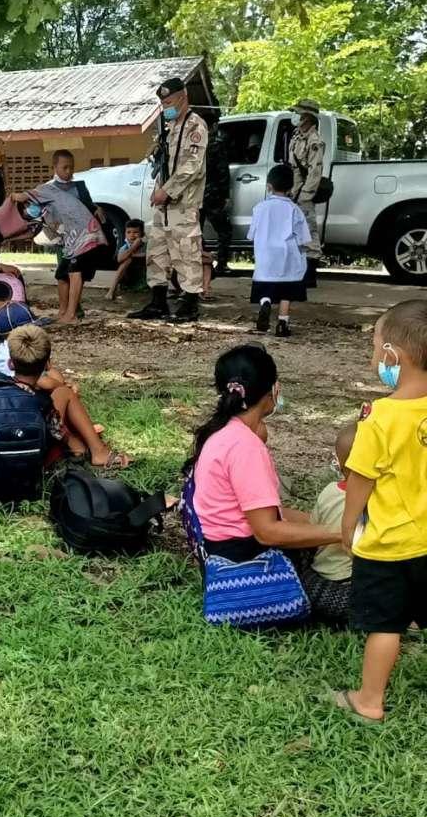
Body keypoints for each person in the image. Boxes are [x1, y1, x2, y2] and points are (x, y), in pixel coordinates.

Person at [182, 342, 344, 612]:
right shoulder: (245, 447)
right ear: (271, 391)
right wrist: (344, 534)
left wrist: (320, 522)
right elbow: (267, 531)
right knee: (361, 595)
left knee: (320, 544)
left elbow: (262, 513)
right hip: (248, 565)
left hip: (221, 553)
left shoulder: (220, 433)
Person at [331, 300, 427, 723]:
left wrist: (348, 524)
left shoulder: (379, 419)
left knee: (385, 625)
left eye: (375, 347)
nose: (374, 357)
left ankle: (369, 700)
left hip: (389, 546)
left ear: (393, 356)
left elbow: (360, 480)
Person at [129, 78, 207, 323]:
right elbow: (165, 165)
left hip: (184, 203)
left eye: (169, 102)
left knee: (187, 252)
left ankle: (190, 304)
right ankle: (158, 302)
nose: (166, 107)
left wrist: (168, 191)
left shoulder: (196, 126)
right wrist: (158, 190)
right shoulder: (169, 127)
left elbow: (191, 166)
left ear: (183, 97)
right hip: (163, 205)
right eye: (163, 103)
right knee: (157, 251)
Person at [1, 325, 130, 468]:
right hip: (37, 459)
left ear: (10, 364)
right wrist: (75, 443)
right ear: (47, 364)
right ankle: (99, 451)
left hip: (2, 458)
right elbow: (59, 431)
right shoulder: (43, 403)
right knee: (64, 393)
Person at [14, 150, 109, 325]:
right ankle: (63, 311)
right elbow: (24, 199)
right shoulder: (47, 189)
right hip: (68, 239)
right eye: (65, 167)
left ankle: (71, 315)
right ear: (55, 167)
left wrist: (96, 209)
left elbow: (88, 206)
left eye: (71, 168)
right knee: (62, 274)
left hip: (84, 237)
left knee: (75, 272)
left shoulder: (78, 187)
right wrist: (14, 198)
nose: (69, 171)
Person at [249, 164, 310, 337]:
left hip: (266, 255)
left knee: (265, 286)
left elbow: (251, 234)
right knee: (286, 289)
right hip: (287, 254)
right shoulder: (294, 209)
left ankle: (265, 302)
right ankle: (283, 323)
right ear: (291, 187)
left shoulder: (259, 208)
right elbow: (303, 237)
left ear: (268, 186)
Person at [305, 422, 356, 622]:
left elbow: (313, 528)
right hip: (348, 578)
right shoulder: (372, 500)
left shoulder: (329, 491)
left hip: (320, 571)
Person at [288, 98, 327, 287]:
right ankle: (299, 270)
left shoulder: (314, 141)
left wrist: (306, 194)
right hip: (293, 191)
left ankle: (310, 275)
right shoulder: (297, 136)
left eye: (299, 114)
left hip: (304, 193)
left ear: (307, 118)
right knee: (295, 232)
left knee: (309, 232)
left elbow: (315, 171)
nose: (296, 117)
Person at [200, 107, 233, 276]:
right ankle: (221, 264)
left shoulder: (193, 144)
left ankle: (199, 260)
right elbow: (223, 171)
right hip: (213, 195)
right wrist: (226, 195)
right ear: (213, 126)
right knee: (224, 230)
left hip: (195, 195)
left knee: (196, 231)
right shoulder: (216, 144)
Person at [107, 220, 147, 301]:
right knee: (127, 260)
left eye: (135, 232)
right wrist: (134, 247)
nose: (132, 235)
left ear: (142, 234)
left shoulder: (146, 245)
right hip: (129, 276)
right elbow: (119, 259)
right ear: (125, 234)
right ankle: (112, 290)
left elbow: (148, 256)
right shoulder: (125, 247)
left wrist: (134, 255)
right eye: (128, 232)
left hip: (144, 274)